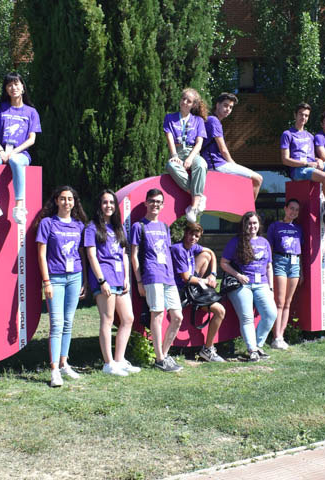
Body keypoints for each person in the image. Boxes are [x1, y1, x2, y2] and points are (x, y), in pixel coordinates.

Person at [84, 189, 140, 377]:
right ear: (99, 206)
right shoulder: (92, 227)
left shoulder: (119, 227)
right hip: (104, 279)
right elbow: (91, 255)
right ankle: (108, 364)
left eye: (111, 203)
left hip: (119, 279)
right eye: (105, 202)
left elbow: (124, 254)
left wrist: (126, 278)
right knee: (107, 320)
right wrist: (102, 281)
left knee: (128, 318)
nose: (108, 206)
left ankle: (119, 360)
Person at [36, 186, 88, 386]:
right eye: (63, 199)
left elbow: (81, 253)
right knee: (56, 324)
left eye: (70, 199)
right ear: (56, 201)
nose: (67, 202)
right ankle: (54, 369)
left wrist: (83, 279)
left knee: (68, 323)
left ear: (75, 202)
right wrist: (46, 281)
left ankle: (65, 363)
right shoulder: (47, 224)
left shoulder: (78, 225)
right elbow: (41, 254)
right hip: (55, 279)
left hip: (74, 277)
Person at [131, 189, 184, 372]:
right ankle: (160, 358)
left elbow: (167, 252)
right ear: (146, 203)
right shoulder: (139, 226)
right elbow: (134, 255)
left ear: (162, 205)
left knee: (177, 317)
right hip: (152, 276)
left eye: (159, 202)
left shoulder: (165, 227)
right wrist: (138, 281)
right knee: (158, 314)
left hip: (168, 277)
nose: (155, 204)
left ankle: (164, 354)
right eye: (152, 201)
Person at [0, 72, 41, 225]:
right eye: (9, 85)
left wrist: (14, 152)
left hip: (20, 153)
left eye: (16, 84)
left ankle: (19, 207)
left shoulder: (31, 112)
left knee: (15, 161)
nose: (13, 87)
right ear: (6, 89)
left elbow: (32, 139)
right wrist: (1, 151)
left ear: (22, 87)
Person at [280, 102, 325, 234]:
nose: (303, 118)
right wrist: (305, 164)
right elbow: (285, 160)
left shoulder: (310, 136)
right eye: (301, 114)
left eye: (306, 115)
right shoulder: (287, 134)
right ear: (295, 115)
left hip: (312, 167)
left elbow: (313, 156)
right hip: (298, 170)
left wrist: (318, 160)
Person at [221, 211, 279, 361]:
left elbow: (269, 267)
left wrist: (271, 288)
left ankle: (258, 345)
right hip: (242, 285)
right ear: (244, 225)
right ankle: (252, 349)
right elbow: (224, 263)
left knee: (271, 314)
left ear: (259, 225)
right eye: (249, 223)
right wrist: (238, 275)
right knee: (247, 318)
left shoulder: (264, 242)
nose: (252, 226)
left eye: (254, 223)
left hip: (262, 284)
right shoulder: (236, 242)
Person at [169, 222, 226, 362]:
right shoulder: (178, 249)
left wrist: (213, 273)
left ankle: (207, 349)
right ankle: (207, 349)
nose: (193, 238)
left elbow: (211, 253)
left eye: (196, 236)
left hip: (192, 284)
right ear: (185, 233)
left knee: (205, 255)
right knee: (220, 310)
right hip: (182, 290)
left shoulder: (192, 247)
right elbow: (186, 278)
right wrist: (205, 282)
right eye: (191, 234)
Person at [202, 92, 263, 200]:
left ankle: (243, 209)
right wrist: (233, 164)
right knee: (257, 179)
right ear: (217, 105)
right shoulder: (213, 121)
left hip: (215, 164)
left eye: (231, 107)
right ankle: (248, 213)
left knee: (244, 184)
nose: (228, 109)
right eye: (225, 105)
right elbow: (223, 149)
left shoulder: (213, 121)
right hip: (215, 165)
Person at [164, 88, 208, 224]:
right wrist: (175, 155)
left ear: (193, 105)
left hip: (192, 152)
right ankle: (198, 196)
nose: (184, 102)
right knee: (171, 165)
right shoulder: (170, 118)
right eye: (183, 99)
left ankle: (193, 207)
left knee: (201, 164)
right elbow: (170, 138)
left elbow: (199, 143)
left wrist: (190, 158)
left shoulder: (198, 121)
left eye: (188, 101)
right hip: (178, 151)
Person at [267, 198, 304, 350]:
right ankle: (276, 337)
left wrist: (302, 270)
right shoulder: (275, 226)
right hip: (280, 261)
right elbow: (269, 247)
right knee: (279, 302)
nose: (294, 212)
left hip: (295, 264)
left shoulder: (298, 228)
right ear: (285, 208)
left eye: (296, 210)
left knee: (288, 302)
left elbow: (300, 251)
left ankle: (281, 336)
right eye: (291, 208)